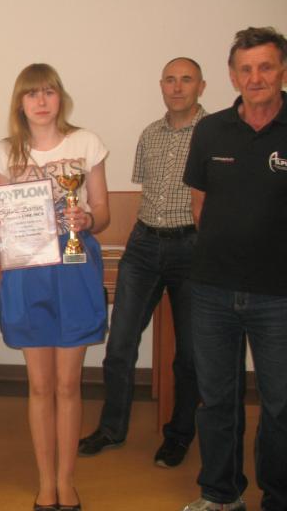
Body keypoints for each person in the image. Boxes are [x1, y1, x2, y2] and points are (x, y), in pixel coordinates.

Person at [0, 63, 109, 511]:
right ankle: (45, 483)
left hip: (74, 267)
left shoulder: (86, 142)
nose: (41, 101)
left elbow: (103, 213)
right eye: (31, 93)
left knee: (69, 384)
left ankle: (66, 480)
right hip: (28, 268)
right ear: (19, 103)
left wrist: (87, 218)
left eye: (49, 92)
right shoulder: (5, 152)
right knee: (39, 385)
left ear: (61, 97)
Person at [78, 57, 205, 467]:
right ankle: (112, 428)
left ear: (201, 86)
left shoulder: (214, 134)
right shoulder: (149, 134)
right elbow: (146, 190)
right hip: (144, 245)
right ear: (161, 85)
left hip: (193, 248)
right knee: (119, 345)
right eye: (170, 80)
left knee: (189, 354)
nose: (177, 87)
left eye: (186, 80)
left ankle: (179, 435)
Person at [181, 26, 287, 511]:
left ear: (281, 70)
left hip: (278, 294)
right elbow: (199, 207)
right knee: (217, 401)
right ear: (232, 75)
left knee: (280, 404)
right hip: (212, 291)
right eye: (245, 69)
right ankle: (220, 495)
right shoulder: (211, 131)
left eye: (265, 66)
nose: (255, 77)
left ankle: (277, 497)